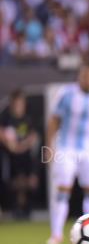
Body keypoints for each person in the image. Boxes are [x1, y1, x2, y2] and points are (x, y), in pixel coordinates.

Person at [44, 64, 89, 244]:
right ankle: (56, 235)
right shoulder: (66, 93)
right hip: (66, 148)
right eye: (84, 76)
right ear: (78, 77)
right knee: (62, 190)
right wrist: (49, 146)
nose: (87, 80)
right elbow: (54, 120)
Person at [0, 89, 39, 219]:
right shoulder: (5, 117)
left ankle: (26, 208)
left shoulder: (29, 118)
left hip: (27, 157)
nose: (18, 106)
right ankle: (14, 208)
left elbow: (33, 136)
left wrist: (21, 146)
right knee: (12, 182)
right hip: (9, 157)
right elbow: (3, 135)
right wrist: (11, 145)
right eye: (16, 103)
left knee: (30, 182)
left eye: (21, 103)